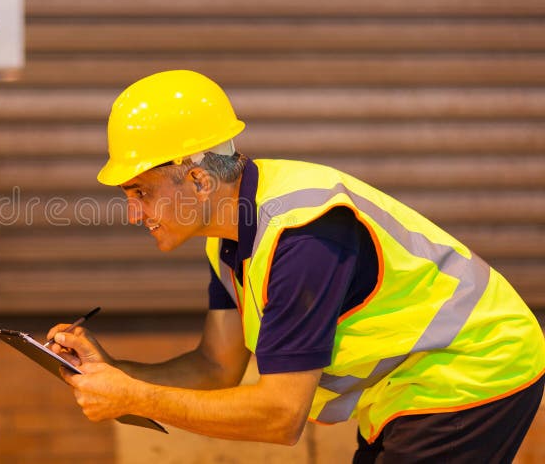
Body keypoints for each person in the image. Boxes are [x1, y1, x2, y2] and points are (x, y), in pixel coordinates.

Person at [46, 69, 545, 462]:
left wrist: (132, 397)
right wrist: (113, 372)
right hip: (411, 388)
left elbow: (280, 416)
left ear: (197, 180)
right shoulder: (229, 241)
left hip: (474, 366)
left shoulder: (301, 235)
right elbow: (216, 369)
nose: (134, 213)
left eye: (141, 192)